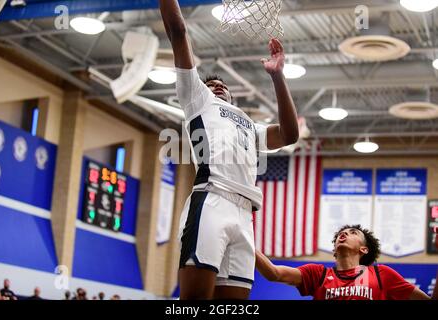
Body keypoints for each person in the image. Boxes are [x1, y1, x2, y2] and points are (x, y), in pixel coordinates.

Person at [158, 0, 299, 300]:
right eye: (210, 83)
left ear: (233, 97)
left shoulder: (249, 125)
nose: (216, 84)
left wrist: (277, 75)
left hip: (245, 214)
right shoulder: (197, 101)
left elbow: (289, 134)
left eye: (222, 84)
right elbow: (178, 31)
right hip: (212, 200)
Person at [256, 224, 433, 300]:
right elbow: (274, 273)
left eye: (353, 232)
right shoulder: (318, 274)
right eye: (342, 233)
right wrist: (245, 240)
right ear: (334, 249)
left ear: (363, 249)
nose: (345, 234)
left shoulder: (382, 275)